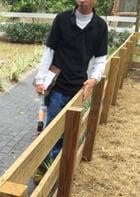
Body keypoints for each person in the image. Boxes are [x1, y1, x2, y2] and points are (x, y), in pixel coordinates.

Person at [34, 0, 108, 163]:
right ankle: (46, 166)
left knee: (71, 130)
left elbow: (101, 59)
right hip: (57, 86)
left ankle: (61, 165)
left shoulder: (100, 26)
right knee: (53, 130)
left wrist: (93, 80)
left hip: (79, 89)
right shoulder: (62, 19)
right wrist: (40, 79)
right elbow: (49, 51)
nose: (82, 0)